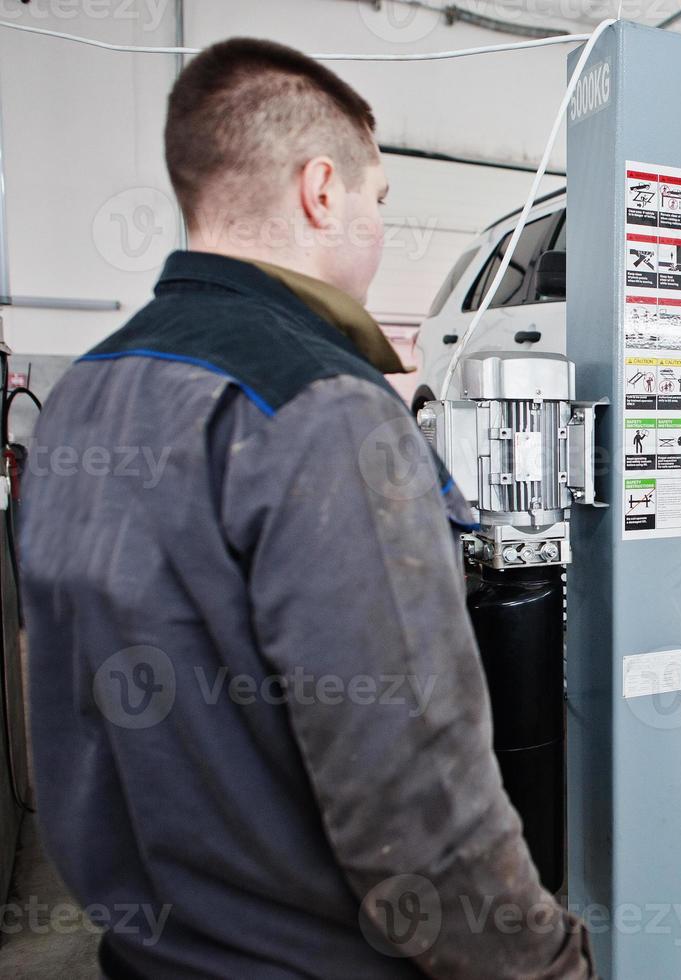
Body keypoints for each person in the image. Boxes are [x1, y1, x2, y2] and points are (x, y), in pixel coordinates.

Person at [20, 37, 593, 979]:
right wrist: (548, 967)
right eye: (378, 202)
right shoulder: (326, 412)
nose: (375, 227)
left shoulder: (86, 393)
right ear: (321, 191)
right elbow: (419, 805)